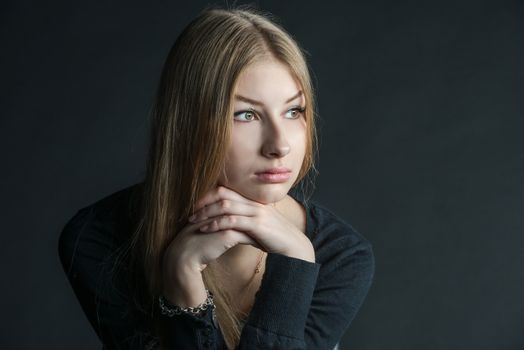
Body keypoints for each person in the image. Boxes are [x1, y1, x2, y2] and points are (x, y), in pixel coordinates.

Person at [58, 5, 375, 350]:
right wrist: (182, 279)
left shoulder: (342, 256)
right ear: (189, 123)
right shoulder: (98, 237)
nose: (280, 145)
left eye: (293, 111)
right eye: (246, 114)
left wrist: (296, 263)